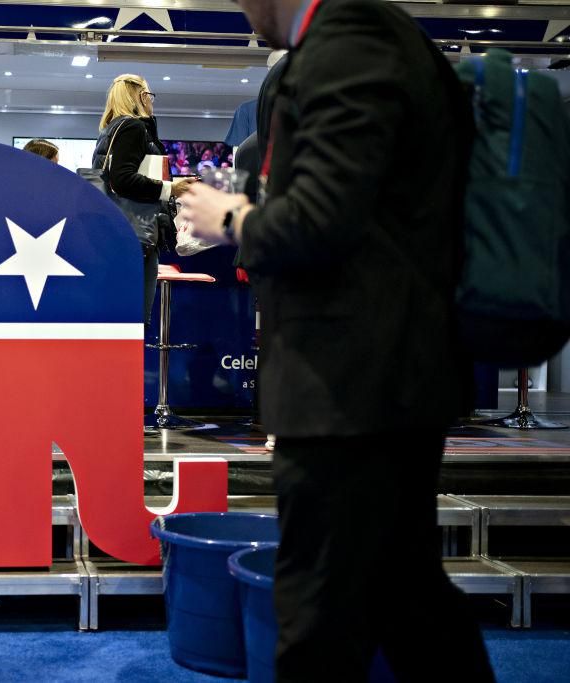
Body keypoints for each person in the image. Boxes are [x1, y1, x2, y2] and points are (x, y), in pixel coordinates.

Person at [179, 1, 494, 681]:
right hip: (376, 377)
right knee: (405, 599)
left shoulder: (349, 43)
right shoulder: (374, 39)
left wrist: (230, 215)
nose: (241, 10)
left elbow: (322, 222)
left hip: (350, 384)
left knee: (321, 613)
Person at [92, 74, 196, 324]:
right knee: (134, 321)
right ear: (139, 96)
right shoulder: (133, 128)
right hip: (136, 233)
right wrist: (171, 188)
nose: (152, 100)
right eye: (149, 94)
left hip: (115, 233)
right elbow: (122, 179)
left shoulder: (110, 129)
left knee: (118, 317)